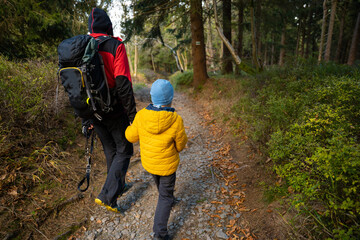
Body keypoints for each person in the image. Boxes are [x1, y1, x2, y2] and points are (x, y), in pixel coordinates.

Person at [82, 8, 136, 213]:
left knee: (111, 150)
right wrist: (133, 115)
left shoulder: (81, 47)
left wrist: (84, 119)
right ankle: (107, 196)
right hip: (114, 109)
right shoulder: (115, 45)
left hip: (91, 110)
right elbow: (122, 83)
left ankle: (116, 187)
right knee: (125, 149)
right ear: (108, 25)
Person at [125, 79, 188, 240]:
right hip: (167, 165)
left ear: (152, 98)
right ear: (170, 99)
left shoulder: (141, 116)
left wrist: (130, 126)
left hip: (150, 163)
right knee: (164, 196)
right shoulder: (175, 119)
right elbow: (180, 145)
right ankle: (160, 234)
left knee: (161, 184)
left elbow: (131, 137)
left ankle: (169, 197)